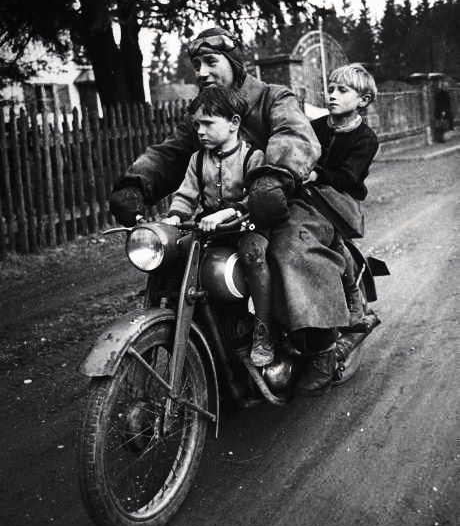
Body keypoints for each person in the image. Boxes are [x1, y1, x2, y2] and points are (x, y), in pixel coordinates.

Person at [110, 27, 351, 395]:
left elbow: (295, 135)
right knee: (180, 260)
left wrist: (273, 176)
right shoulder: (208, 113)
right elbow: (172, 152)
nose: (202, 72)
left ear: (235, 63)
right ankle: (217, 345)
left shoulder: (274, 97)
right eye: (197, 65)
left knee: (290, 252)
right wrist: (136, 182)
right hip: (223, 214)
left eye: (211, 62)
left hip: (283, 202)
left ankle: (321, 346)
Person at [163, 85, 275, 367]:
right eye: (197, 124)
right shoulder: (197, 160)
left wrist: (229, 213)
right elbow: (186, 195)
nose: (200, 131)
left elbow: (256, 198)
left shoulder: (253, 157)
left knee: (255, 256)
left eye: (208, 123)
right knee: (175, 257)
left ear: (234, 123)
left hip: (246, 226)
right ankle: (184, 326)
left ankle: (264, 331)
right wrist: (175, 217)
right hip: (211, 229)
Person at [308, 63, 379, 327]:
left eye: (342, 90)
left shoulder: (365, 138)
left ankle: (352, 294)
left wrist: (318, 175)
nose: (333, 95)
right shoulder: (315, 127)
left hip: (343, 201)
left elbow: (349, 177)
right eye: (331, 89)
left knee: (333, 238)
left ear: (363, 100)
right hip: (309, 193)